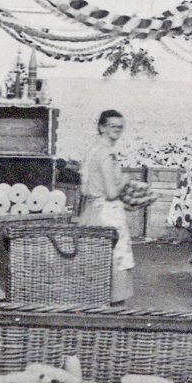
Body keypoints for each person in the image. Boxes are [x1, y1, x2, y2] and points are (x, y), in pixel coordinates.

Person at [79, 109, 133, 305]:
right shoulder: (107, 154)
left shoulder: (92, 150)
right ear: (102, 127)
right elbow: (111, 193)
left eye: (120, 126)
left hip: (91, 212)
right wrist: (125, 180)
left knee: (94, 265)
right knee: (116, 264)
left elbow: (84, 187)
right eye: (113, 126)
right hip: (107, 215)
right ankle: (114, 312)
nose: (117, 129)